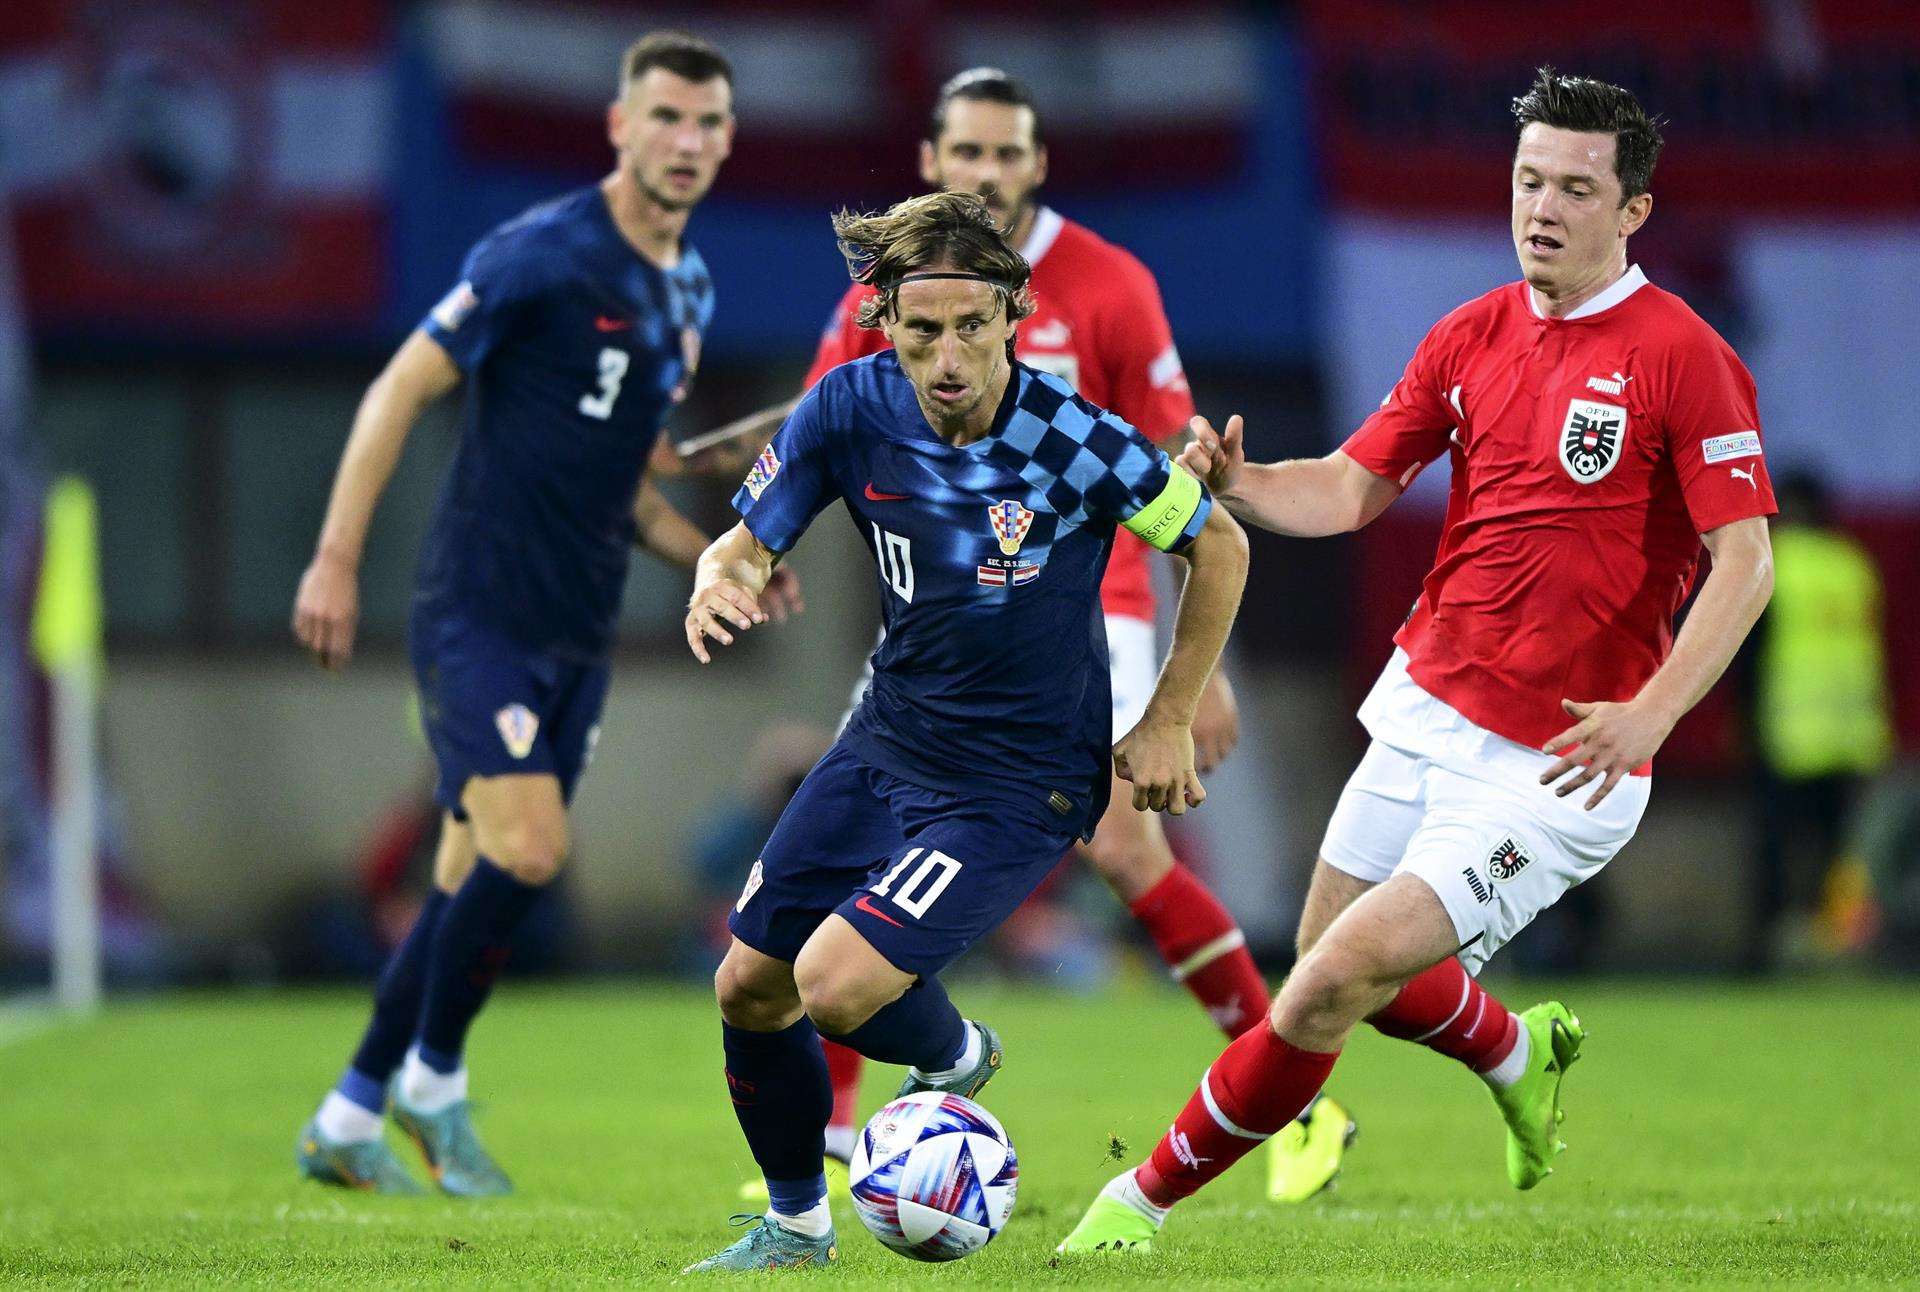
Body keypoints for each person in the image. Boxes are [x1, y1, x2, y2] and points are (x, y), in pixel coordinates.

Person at [1057, 67, 1778, 1253]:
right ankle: (1515, 1046)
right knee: (1360, 983)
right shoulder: (1472, 331)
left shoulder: (1682, 353)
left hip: (1557, 762)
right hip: (1426, 707)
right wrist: (1236, 480)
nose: (1542, 206)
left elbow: (1742, 561)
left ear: (1632, 209)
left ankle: (1133, 1205)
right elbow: (1347, 488)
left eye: (1576, 188)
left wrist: (1652, 713)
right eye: (1528, 180)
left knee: (1323, 982)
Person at [703, 70, 1269, 1195]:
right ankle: (796, 1219)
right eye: (924, 331)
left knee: (831, 978)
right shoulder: (845, 402)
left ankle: (966, 1056)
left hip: (1020, 774)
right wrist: (726, 571)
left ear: (1017, 315)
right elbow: (749, 536)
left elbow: (1221, 545)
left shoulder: (1076, 439)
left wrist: (1164, 711)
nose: (950, 358)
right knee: (744, 985)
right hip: (890, 734)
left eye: (974, 327)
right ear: (887, 324)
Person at [290, 31, 798, 1197]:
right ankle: (432, 1085)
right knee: (530, 848)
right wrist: (332, 555)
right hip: (480, 613)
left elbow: (629, 478)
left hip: (582, 629)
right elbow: (398, 386)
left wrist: (722, 560)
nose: (689, 141)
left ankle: (351, 1109)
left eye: (710, 122)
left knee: (474, 875)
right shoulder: (541, 253)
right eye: (666, 116)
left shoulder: (689, 286)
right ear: (619, 125)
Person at [1742, 469, 1893, 971]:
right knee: (1844, 854)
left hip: (1790, 731)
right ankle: (1846, 949)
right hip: (1852, 734)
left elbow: (1746, 652)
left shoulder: (1774, 560)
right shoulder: (1851, 564)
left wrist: (1739, 721)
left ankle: (1768, 953)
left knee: (1777, 850)